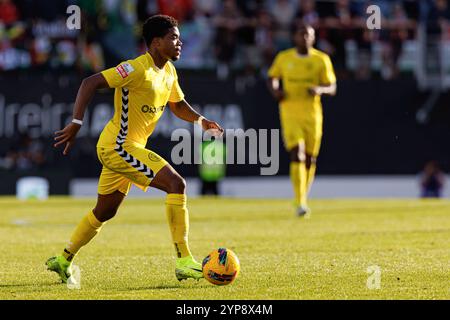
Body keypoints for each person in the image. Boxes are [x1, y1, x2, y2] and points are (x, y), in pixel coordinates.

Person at [46, 15, 224, 284]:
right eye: (173, 38)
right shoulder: (135, 69)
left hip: (127, 147)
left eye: (178, 37)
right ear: (155, 43)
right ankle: (184, 260)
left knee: (105, 211)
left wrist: (200, 120)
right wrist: (76, 122)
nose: (180, 42)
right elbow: (89, 83)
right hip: (118, 146)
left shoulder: (168, 71)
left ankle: (63, 259)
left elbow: (177, 104)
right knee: (177, 184)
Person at [268, 22, 336, 217]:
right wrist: (275, 91)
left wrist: (320, 89)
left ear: (313, 38)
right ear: (295, 37)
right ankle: (300, 201)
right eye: (301, 34)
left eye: (308, 35)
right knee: (297, 153)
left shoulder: (321, 59)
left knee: (310, 158)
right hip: (290, 111)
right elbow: (272, 77)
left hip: (312, 114)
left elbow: (332, 86)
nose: (304, 38)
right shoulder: (284, 58)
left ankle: (302, 196)